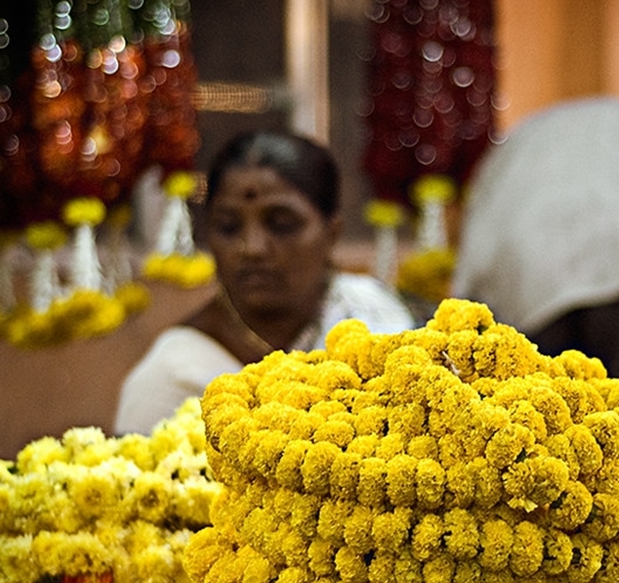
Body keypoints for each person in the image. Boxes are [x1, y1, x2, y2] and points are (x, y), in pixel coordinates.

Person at [115, 130, 416, 434]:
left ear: (332, 233)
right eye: (228, 227)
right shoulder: (173, 377)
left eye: (281, 224)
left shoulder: (373, 313)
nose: (253, 247)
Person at [451, 96, 619, 384]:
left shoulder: (520, 139)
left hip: (534, 276)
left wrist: (464, 303)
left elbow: (481, 221)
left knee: (541, 402)